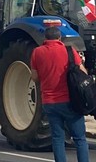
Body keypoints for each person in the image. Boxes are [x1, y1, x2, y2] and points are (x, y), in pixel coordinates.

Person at [31, 26, 90, 162]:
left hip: (49, 102)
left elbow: (34, 77)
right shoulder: (69, 51)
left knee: (57, 138)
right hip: (69, 101)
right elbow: (82, 72)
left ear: (45, 38)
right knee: (79, 138)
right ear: (59, 38)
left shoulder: (37, 52)